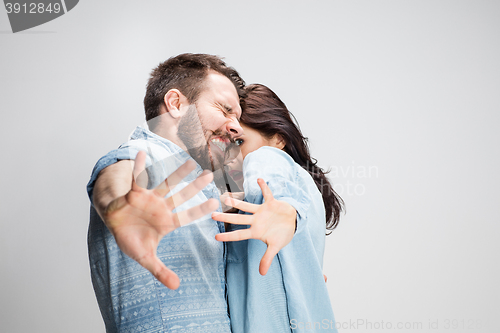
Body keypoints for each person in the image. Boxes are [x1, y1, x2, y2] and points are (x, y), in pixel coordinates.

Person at [87, 54, 298, 333]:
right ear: (176, 104)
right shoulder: (147, 155)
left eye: (237, 116)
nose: (236, 126)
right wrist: (119, 207)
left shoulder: (203, 180)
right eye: (225, 110)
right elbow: (115, 172)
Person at [213, 84, 344, 333]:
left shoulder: (266, 161)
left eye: (240, 141)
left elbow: (266, 180)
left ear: (278, 139)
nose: (231, 155)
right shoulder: (306, 189)